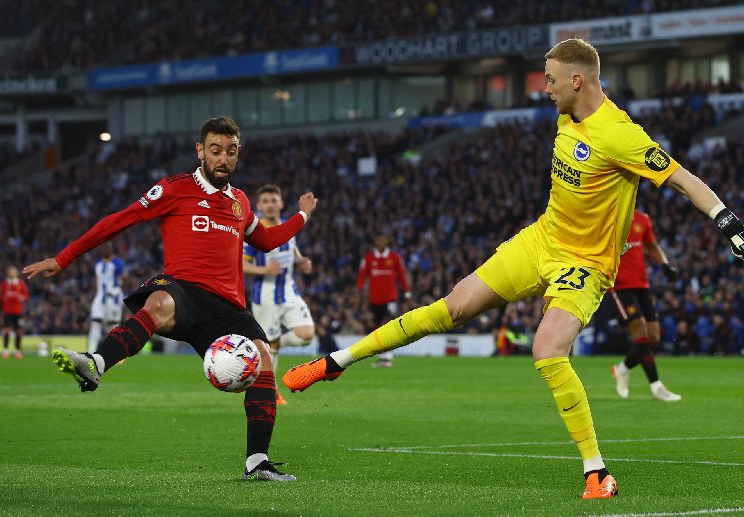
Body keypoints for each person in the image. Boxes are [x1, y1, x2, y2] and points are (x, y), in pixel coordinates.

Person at [282, 38, 744, 499]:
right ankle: (337, 361)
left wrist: (727, 222)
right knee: (454, 307)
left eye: (550, 79)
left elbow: (682, 178)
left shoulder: (621, 134)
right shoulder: (567, 116)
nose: (543, 88)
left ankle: (596, 472)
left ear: (576, 80)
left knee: (546, 349)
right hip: (540, 239)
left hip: (586, 264)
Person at [23, 116, 318, 482]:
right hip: (183, 289)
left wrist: (303, 214)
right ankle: (96, 363)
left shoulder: (240, 203)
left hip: (227, 307)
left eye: (230, 151)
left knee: (263, 358)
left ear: (238, 153)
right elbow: (121, 220)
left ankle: (257, 462)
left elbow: (268, 241)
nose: (222, 158)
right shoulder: (174, 189)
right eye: (215, 151)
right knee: (159, 304)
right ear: (200, 151)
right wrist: (63, 257)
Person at [242, 184, 315, 405]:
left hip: (289, 291)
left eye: (274, 200)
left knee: (306, 335)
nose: (270, 205)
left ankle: (275, 344)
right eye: (265, 201)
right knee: (268, 348)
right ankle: (270, 391)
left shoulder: (286, 226)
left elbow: (291, 247)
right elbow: (240, 265)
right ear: (259, 206)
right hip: (265, 295)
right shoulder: (254, 233)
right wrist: (265, 270)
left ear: (281, 204)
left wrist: (300, 260)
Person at [608, 209, 682, 401]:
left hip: (641, 284)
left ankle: (622, 369)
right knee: (640, 332)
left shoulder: (643, 218)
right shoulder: (607, 216)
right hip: (620, 285)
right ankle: (657, 387)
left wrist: (665, 265)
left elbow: (652, 245)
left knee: (654, 337)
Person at [355, 233, 411, 368]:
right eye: (379, 239)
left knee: (388, 323)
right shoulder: (368, 258)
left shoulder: (394, 258)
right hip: (374, 299)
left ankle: (388, 355)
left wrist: (407, 292)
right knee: (377, 327)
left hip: (390, 298)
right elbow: (362, 277)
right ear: (375, 241)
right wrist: (358, 291)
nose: (381, 242)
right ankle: (382, 357)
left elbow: (402, 275)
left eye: (384, 240)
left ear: (387, 241)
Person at [88, 242, 128, 354]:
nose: (104, 249)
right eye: (103, 247)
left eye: (107, 247)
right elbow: (97, 281)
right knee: (95, 322)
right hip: (100, 297)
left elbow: (124, 277)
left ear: (111, 249)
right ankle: (90, 352)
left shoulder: (118, 263)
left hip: (113, 298)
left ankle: (115, 353)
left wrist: (119, 288)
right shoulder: (98, 264)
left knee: (113, 325)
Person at [0, 265, 30, 359]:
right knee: (7, 330)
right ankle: (5, 350)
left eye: (14, 271)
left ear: (16, 273)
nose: (12, 273)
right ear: (8, 273)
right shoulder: (4, 284)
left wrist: (24, 298)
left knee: (19, 331)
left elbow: (27, 296)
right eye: (10, 271)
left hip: (18, 311)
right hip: (7, 311)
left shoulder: (21, 283)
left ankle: (17, 351)